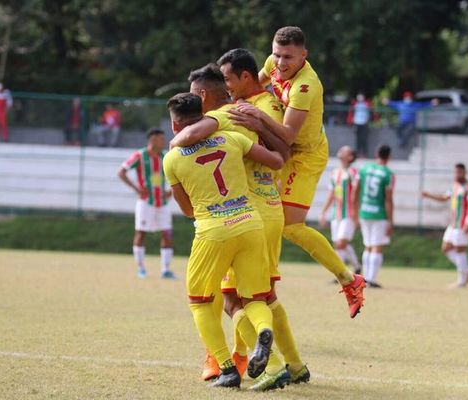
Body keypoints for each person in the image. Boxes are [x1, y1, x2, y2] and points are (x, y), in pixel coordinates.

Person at [170, 56, 305, 390]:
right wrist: (259, 125)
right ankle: (294, 365)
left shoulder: (218, 119)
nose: (230, 90)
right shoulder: (255, 111)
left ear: (201, 96)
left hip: (226, 221)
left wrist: (175, 144)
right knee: (263, 297)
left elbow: (189, 136)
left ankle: (240, 366)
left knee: (223, 301)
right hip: (261, 215)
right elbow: (281, 155)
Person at [228, 26, 366, 318]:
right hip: (282, 150)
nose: (280, 63)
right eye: (277, 54)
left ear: (304, 55)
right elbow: (254, 89)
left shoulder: (307, 86)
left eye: (288, 57)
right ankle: (260, 280)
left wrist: (258, 116)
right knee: (264, 212)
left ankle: (349, 279)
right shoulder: (272, 62)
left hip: (305, 156)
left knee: (290, 226)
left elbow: (289, 135)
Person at [118, 128, 176, 280]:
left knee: (167, 234)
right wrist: (136, 188)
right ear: (152, 139)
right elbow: (121, 172)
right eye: (161, 139)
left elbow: (176, 173)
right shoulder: (140, 156)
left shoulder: (165, 156)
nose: (164, 141)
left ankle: (165, 270)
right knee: (141, 233)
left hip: (162, 203)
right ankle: (141, 269)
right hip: (145, 202)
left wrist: (171, 190)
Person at [422, 163, 468, 288]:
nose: (457, 174)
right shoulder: (454, 186)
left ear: (464, 173)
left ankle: (462, 280)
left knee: (460, 250)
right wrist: (429, 195)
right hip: (453, 224)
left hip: (463, 223)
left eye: (459, 172)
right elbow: (444, 198)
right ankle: (467, 271)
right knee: (446, 248)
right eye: (456, 172)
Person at [354, 144, 395, 288]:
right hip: (379, 213)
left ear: (377, 153)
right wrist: (391, 221)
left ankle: (365, 278)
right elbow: (388, 199)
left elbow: (356, 190)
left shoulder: (364, 168)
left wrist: (355, 211)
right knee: (377, 246)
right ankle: (371, 279)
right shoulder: (388, 173)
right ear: (389, 156)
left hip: (364, 211)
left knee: (368, 245)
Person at [319, 146, 361, 275]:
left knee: (341, 243)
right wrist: (323, 212)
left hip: (348, 213)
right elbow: (332, 194)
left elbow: (356, 193)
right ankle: (356, 266)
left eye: (345, 150)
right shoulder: (335, 172)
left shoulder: (353, 172)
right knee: (338, 243)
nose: (341, 151)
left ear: (350, 157)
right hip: (336, 213)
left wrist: (356, 214)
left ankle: (340, 273)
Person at [346, 93, 372, 157]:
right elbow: (351, 113)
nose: (360, 99)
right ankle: (358, 153)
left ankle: (364, 153)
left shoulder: (366, 104)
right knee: (357, 139)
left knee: (364, 139)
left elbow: (370, 112)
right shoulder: (355, 104)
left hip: (364, 123)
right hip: (357, 123)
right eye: (359, 97)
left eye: (361, 97)